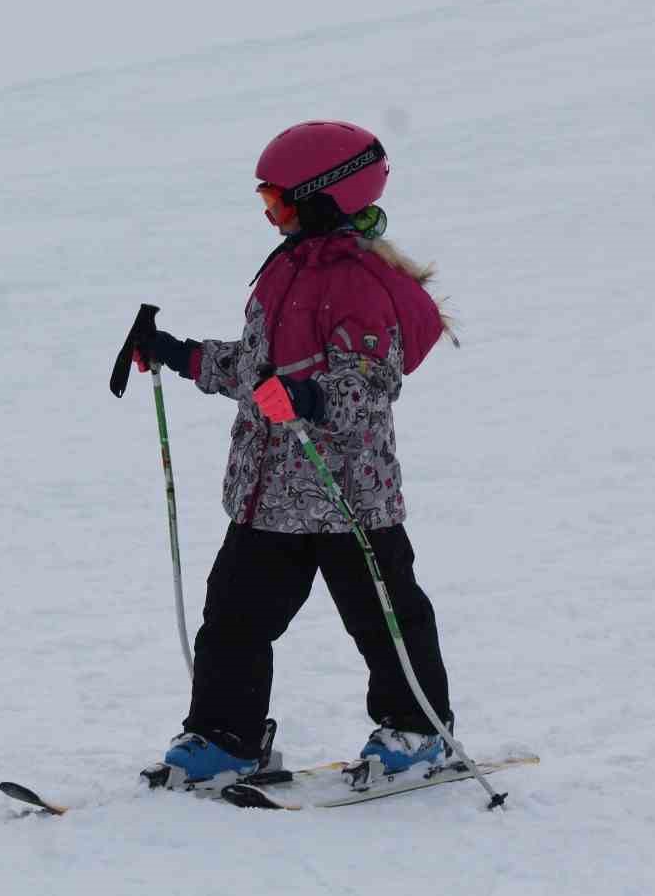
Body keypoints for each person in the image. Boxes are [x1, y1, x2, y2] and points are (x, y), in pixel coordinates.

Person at [135, 120, 458, 783]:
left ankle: (418, 732)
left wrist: (308, 398)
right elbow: (255, 371)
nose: (271, 216)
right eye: (266, 202)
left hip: (348, 497)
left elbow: (370, 386)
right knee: (232, 619)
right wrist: (178, 354)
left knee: (383, 619)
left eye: (279, 202)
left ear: (324, 197)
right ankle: (225, 738)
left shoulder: (359, 282)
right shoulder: (283, 272)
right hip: (268, 496)